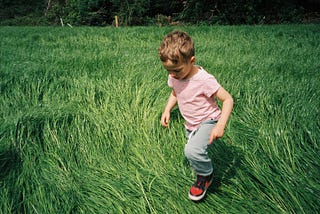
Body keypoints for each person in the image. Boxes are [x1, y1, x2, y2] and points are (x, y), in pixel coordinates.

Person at [158, 30, 234, 201]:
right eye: (168, 70)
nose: (172, 75)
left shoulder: (203, 80)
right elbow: (175, 93)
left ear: (191, 61)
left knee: (191, 150)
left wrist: (220, 125)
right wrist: (167, 109)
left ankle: (206, 176)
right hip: (190, 124)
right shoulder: (175, 76)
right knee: (194, 152)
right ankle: (202, 167)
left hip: (209, 120)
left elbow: (228, 99)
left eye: (176, 70)